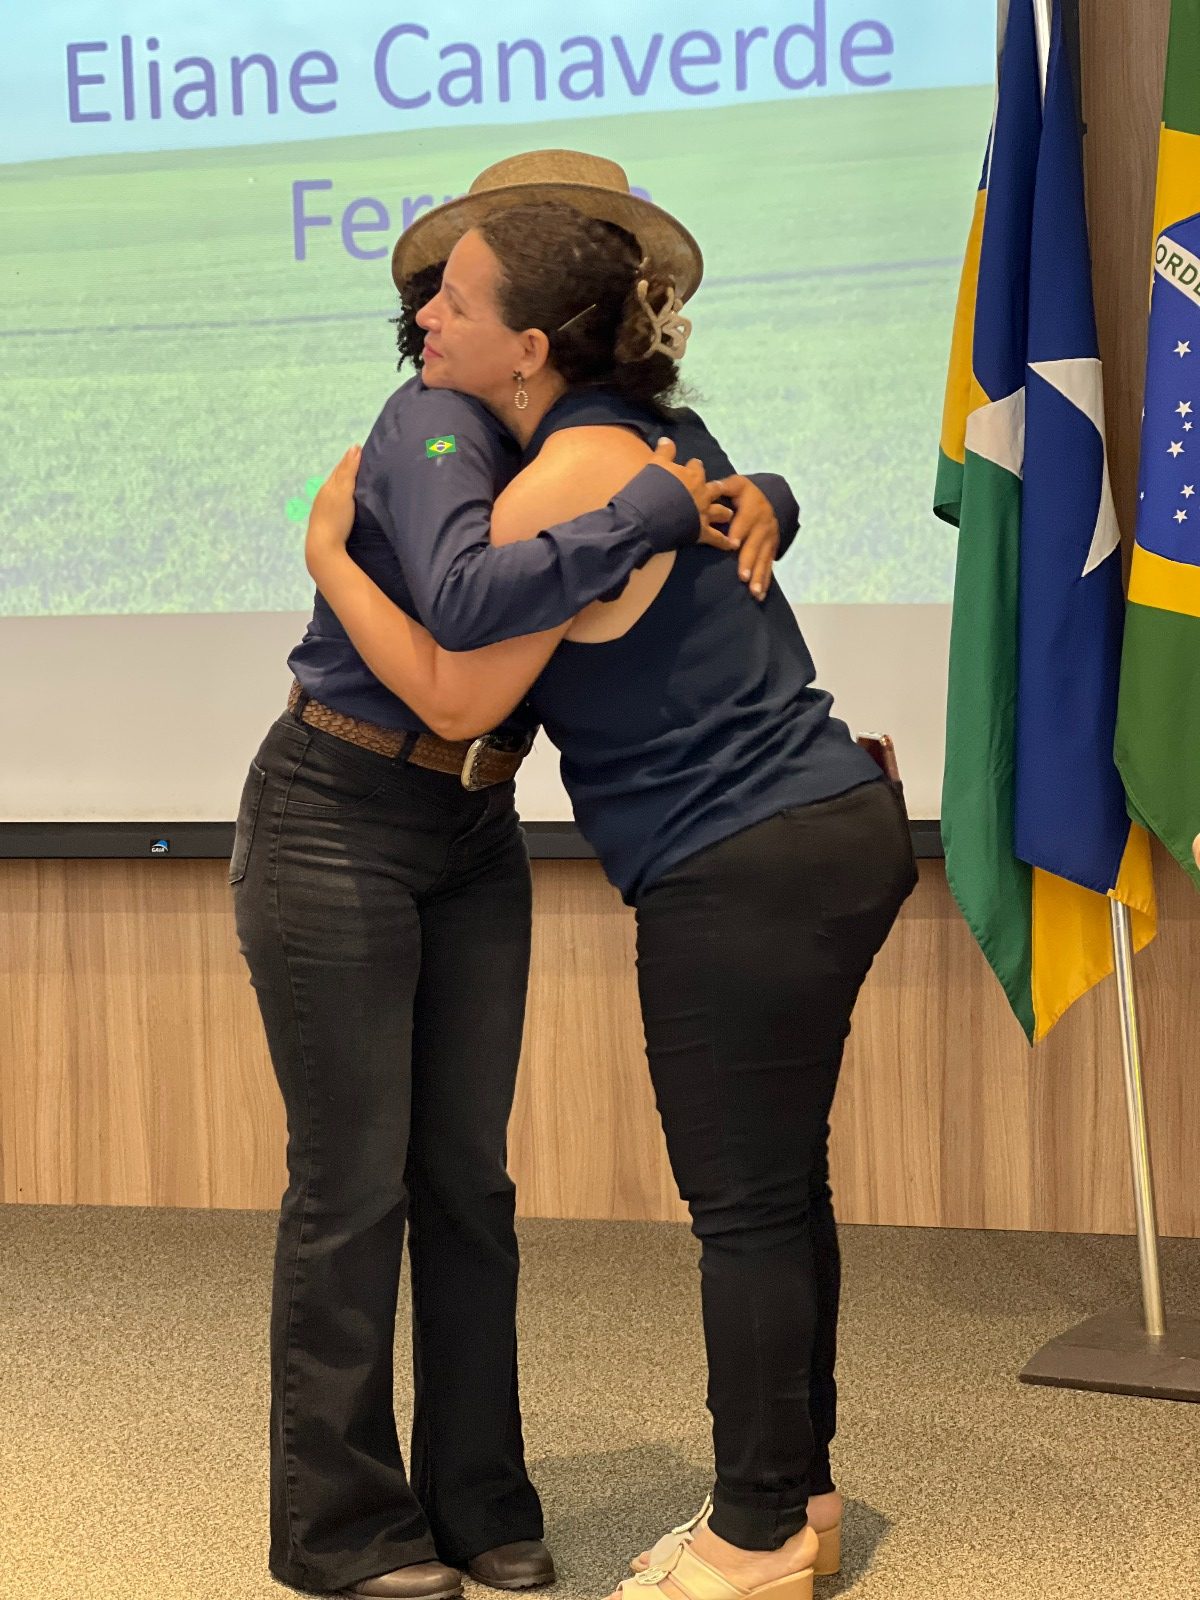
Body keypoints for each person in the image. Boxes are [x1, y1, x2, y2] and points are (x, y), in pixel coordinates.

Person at [305, 151, 918, 1600]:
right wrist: (763, 493)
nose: (424, 315)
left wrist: (328, 551)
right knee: (783, 1192)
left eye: (457, 297)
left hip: (739, 860)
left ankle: (754, 1538)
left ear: (534, 341)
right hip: (832, 824)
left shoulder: (561, 478)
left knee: (747, 1212)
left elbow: (459, 689)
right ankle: (803, 1497)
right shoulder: (656, 434)